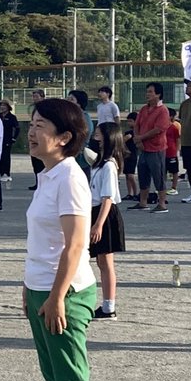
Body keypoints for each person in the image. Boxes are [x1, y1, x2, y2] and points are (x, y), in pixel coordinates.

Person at [21, 97, 100, 381]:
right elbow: (42, 241)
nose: (32, 132)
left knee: (72, 378)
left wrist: (56, 296)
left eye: (40, 126)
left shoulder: (71, 176)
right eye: (31, 124)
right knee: (54, 376)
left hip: (65, 292)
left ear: (64, 137)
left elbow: (74, 246)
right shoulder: (48, 174)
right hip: (42, 288)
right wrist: (28, 286)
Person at [88, 122, 126, 319]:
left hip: (105, 214)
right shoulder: (100, 161)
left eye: (99, 133)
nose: (95, 136)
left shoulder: (109, 165)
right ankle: (105, 304)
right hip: (95, 211)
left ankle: (109, 305)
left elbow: (108, 198)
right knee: (101, 261)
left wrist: (98, 225)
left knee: (106, 261)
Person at [132, 83, 170, 213]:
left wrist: (141, 138)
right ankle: (143, 202)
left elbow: (158, 129)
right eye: (147, 91)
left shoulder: (163, 110)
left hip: (156, 148)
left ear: (158, 94)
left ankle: (162, 203)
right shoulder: (143, 109)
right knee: (143, 175)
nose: (147, 94)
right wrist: (138, 140)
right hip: (143, 148)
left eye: (150, 92)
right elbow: (136, 125)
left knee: (158, 176)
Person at [28, 88, 46, 188]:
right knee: (35, 163)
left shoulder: (45, 108)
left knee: (42, 162)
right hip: (35, 137)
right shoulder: (35, 109)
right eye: (33, 96)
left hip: (42, 137)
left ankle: (43, 183)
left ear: (42, 97)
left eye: (36, 96)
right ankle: (38, 182)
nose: (34, 98)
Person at [0, 99, 20, 182]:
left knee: (6, 157)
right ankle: (1, 172)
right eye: (1, 105)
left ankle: (7, 173)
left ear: (8, 107)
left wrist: (13, 138)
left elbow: (17, 128)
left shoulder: (12, 117)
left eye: (4, 105)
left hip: (7, 140)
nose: (2, 107)